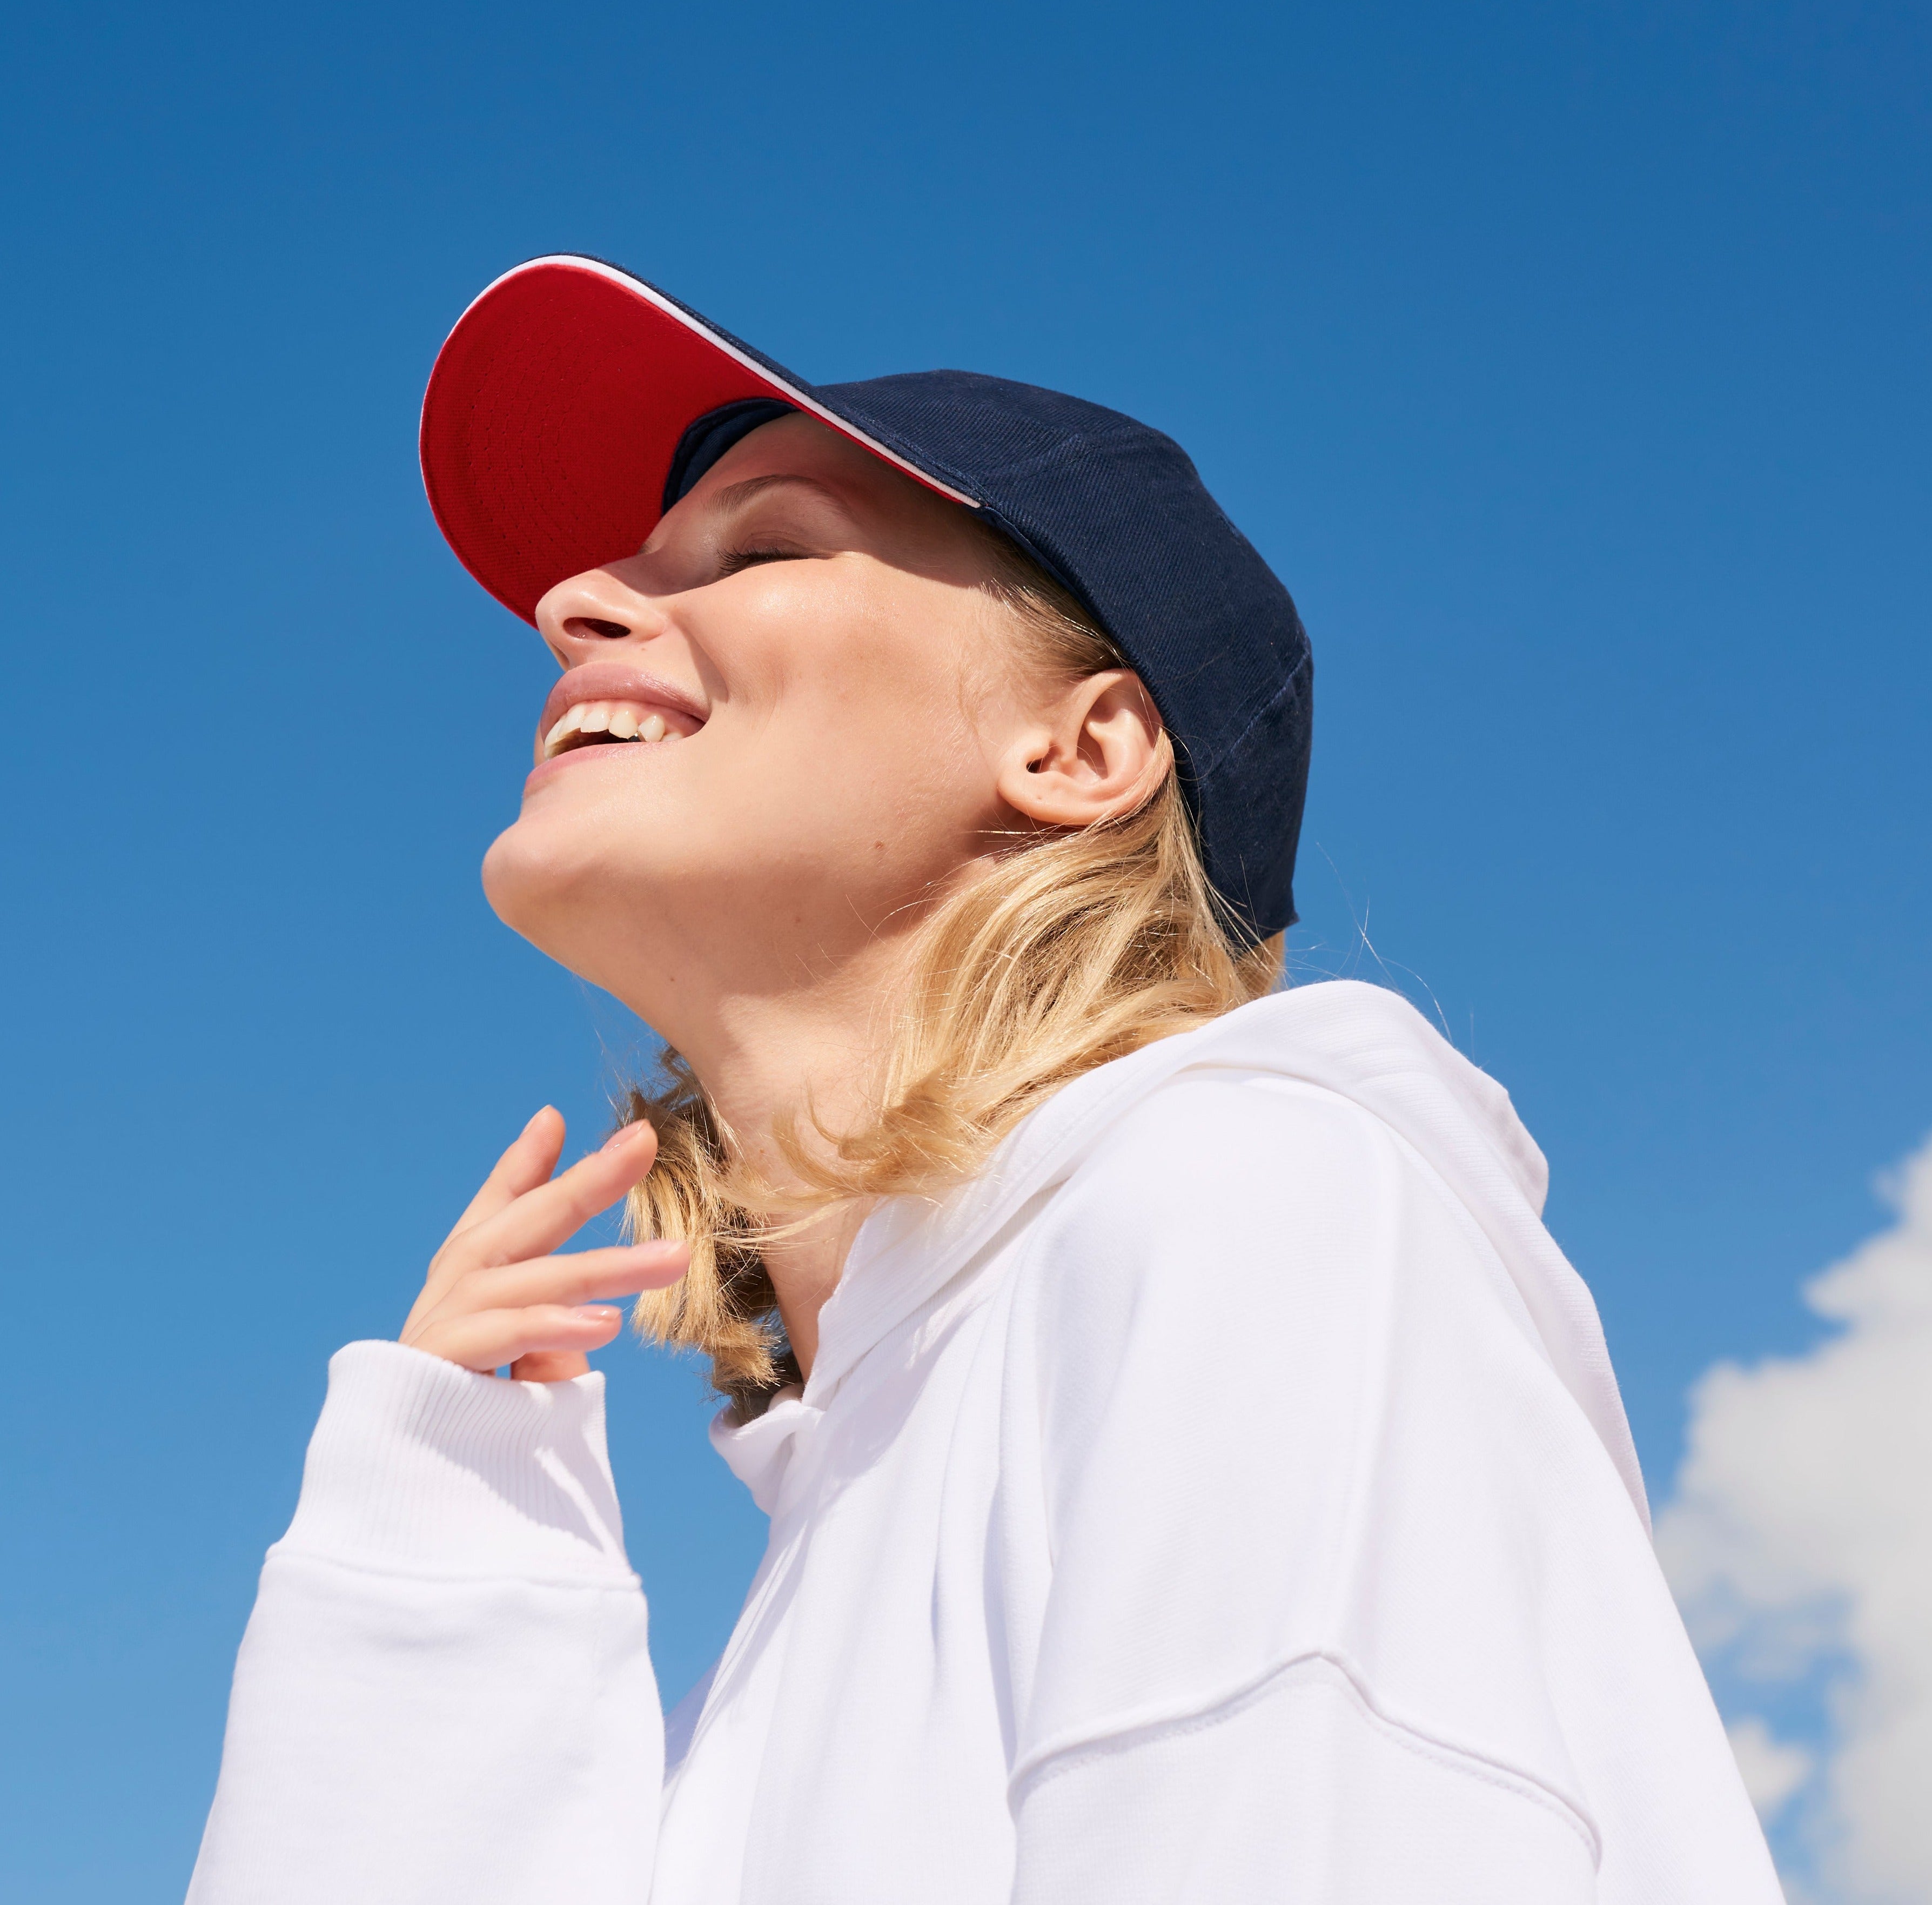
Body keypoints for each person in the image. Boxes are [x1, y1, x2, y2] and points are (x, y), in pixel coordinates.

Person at [186, 256, 1781, 1904]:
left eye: (768, 544)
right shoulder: (828, 1543)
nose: (573, 604)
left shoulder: (1254, 1197)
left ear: (1082, 750)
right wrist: (438, 1539)